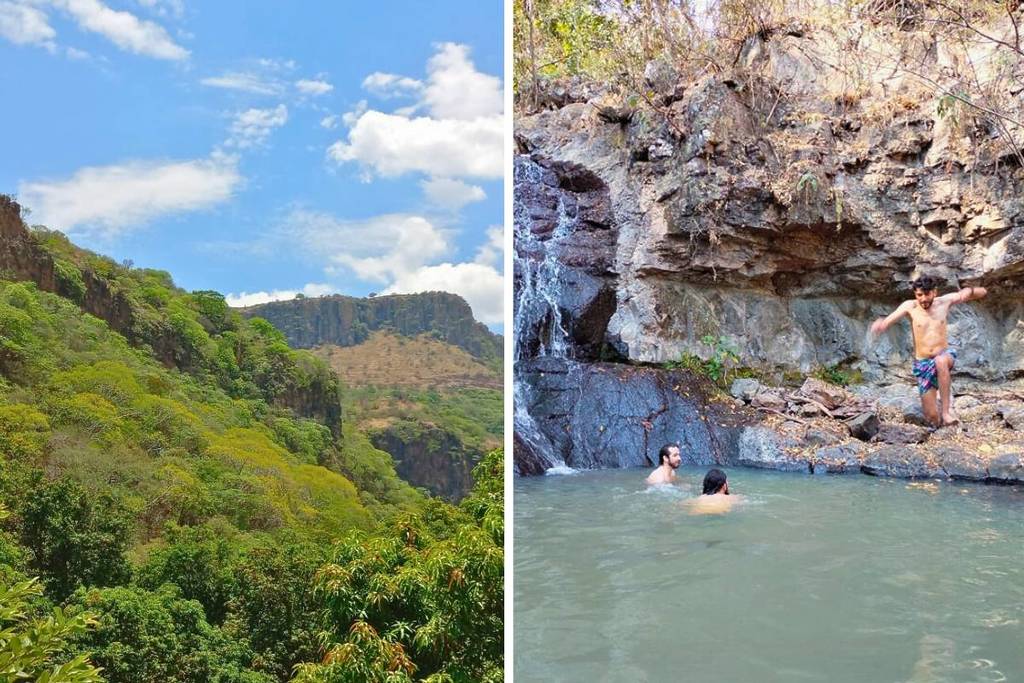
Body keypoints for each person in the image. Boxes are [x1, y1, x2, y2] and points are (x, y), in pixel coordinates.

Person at [869, 274, 987, 427]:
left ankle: (946, 412)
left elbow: (980, 292)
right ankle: (939, 422)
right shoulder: (909, 306)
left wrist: (971, 290)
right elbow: (888, 321)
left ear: (934, 292)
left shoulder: (944, 302)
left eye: (927, 294)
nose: (923, 299)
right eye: (919, 295)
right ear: (915, 294)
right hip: (923, 363)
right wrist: (881, 325)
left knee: (940, 361)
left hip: (944, 356)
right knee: (931, 417)